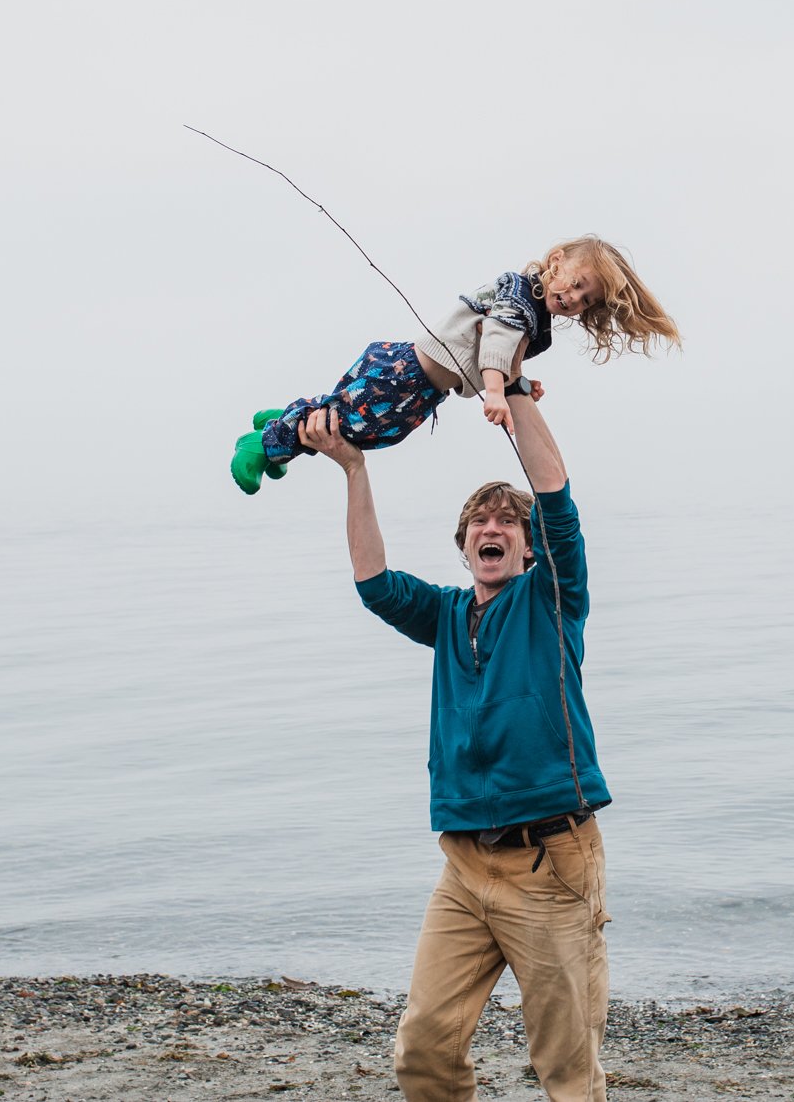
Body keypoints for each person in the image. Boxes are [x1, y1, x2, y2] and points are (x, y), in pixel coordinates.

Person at [297, 389, 613, 1102]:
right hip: (464, 867)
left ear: (528, 548)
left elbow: (556, 496)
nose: (491, 527)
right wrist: (353, 469)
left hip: (552, 863)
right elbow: (375, 585)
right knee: (424, 1048)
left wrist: (520, 402)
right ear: (465, 542)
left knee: (567, 1069)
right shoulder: (444, 614)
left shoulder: (551, 597)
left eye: (506, 520)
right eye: (479, 520)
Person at [232, 235, 678, 493]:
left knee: (366, 429)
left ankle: (285, 423)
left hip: (422, 388)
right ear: (556, 261)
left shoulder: (534, 313)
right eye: (577, 284)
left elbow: (505, 352)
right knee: (349, 425)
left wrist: (522, 381)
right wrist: (499, 392)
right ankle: (263, 445)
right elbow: (497, 341)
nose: (575, 298)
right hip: (404, 374)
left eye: (587, 300)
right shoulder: (521, 296)